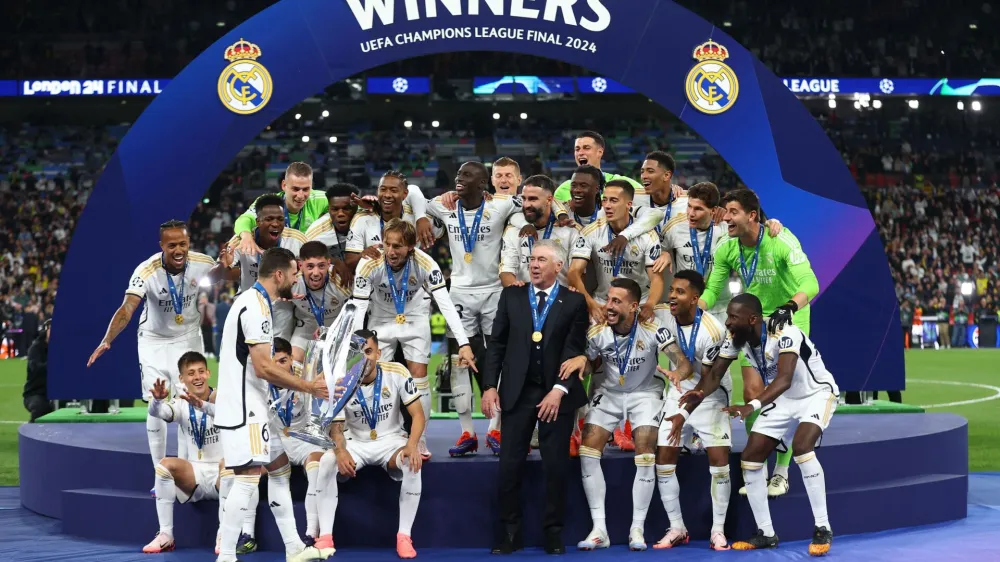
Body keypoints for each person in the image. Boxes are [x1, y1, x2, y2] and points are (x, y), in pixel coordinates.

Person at [673, 294, 838, 556]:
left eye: (733, 317)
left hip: (815, 394)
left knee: (802, 446)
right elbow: (715, 374)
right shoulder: (736, 339)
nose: (727, 322)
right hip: (782, 400)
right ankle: (766, 533)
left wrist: (751, 406)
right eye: (727, 316)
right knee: (751, 457)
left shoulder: (785, 332)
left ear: (752, 319)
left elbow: (783, 379)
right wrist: (698, 395)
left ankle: (822, 527)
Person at [212, 247, 330, 562]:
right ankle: (225, 555)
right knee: (248, 478)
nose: (297, 279)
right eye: (294, 274)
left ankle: (294, 548)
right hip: (244, 407)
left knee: (278, 469)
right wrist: (308, 386)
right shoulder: (255, 306)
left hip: (252, 404)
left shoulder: (258, 302)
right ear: (279, 275)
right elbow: (263, 367)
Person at [700, 188, 819, 498]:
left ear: (752, 215)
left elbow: (811, 282)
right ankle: (757, 466)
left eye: (733, 212)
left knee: (785, 394)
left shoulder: (781, 239)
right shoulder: (727, 248)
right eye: (725, 211)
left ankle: (782, 471)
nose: (725, 217)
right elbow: (713, 289)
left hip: (790, 319)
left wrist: (790, 306)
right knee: (753, 392)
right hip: (754, 324)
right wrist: (697, 306)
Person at [559, 278, 693, 551]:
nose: (608, 306)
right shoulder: (597, 331)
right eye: (608, 299)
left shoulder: (653, 329)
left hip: (645, 394)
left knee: (645, 450)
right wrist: (584, 359)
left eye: (616, 302)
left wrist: (678, 372)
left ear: (634, 306)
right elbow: (590, 358)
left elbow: (683, 361)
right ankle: (599, 529)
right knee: (588, 451)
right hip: (609, 394)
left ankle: (637, 528)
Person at [87, 220, 222, 487]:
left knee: (190, 399)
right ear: (162, 246)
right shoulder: (145, 271)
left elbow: (226, 275)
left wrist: (229, 263)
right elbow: (127, 308)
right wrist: (107, 339)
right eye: (172, 245)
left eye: (183, 244)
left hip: (188, 336)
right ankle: (159, 474)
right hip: (154, 340)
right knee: (156, 402)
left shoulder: (203, 262)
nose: (179, 250)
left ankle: (190, 464)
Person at [481, 239, 589, 555]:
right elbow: (496, 344)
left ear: (558, 266)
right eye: (531, 259)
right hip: (517, 393)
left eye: (542, 259)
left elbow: (574, 350)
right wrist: (489, 386)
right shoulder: (512, 295)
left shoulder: (573, 302)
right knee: (509, 467)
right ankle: (510, 534)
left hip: (557, 394)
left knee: (555, 468)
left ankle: (553, 533)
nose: (534, 264)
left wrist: (559, 390)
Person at [351, 219, 477, 459]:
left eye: (397, 246)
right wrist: (358, 346)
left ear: (410, 246)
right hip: (381, 318)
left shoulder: (426, 264)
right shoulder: (369, 264)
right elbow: (358, 307)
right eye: (387, 244)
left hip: (415, 316)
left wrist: (464, 343)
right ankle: (391, 435)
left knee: (418, 376)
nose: (390, 251)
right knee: (377, 375)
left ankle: (419, 439)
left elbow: (446, 305)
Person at [424, 161, 524, 456]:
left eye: (466, 176)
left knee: (500, 356)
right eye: (457, 174)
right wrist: (422, 217)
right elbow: (417, 196)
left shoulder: (501, 206)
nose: (458, 179)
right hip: (460, 292)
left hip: (494, 290)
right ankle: (467, 431)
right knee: (458, 360)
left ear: (483, 185)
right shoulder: (443, 206)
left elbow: (529, 203)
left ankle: (496, 428)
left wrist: (527, 222)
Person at [314, 329, 425, 559]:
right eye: (357, 352)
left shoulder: (397, 371)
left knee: (412, 463)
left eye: (368, 351)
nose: (364, 358)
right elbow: (335, 426)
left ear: (378, 353)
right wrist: (340, 450)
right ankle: (325, 536)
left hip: (391, 441)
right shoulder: (340, 380)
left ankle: (404, 535)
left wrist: (412, 444)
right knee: (326, 462)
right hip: (356, 442)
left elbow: (418, 415)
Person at [653, 270, 731, 551]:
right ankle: (677, 527)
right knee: (663, 455)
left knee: (719, 460)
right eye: (671, 290)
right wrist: (678, 375)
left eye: (680, 292)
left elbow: (708, 381)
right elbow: (681, 362)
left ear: (695, 299)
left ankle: (718, 530)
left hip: (710, 395)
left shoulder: (713, 331)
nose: (672, 296)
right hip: (678, 391)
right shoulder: (663, 318)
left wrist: (683, 414)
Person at [232, 337, 330, 552]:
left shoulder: (308, 375)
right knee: (250, 473)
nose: (278, 368)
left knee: (317, 468)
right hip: (275, 440)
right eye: (273, 362)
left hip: (305, 439)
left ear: (292, 358)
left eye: (283, 361)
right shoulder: (259, 380)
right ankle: (248, 534)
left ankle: (311, 532)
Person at [143, 352, 222, 554]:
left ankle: (225, 534)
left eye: (201, 372)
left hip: (223, 474)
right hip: (193, 475)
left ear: (208, 373)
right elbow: (160, 413)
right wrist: (158, 401)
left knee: (230, 464)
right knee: (164, 466)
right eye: (191, 373)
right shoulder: (181, 403)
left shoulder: (221, 398)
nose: (197, 377)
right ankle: (166, 535)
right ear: (181, 379)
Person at [569, 180, 663, 324]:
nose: (607, 205)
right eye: (604, 200)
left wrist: (650, 304)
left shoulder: (647, 236)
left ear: (628, 204)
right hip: (602, 302)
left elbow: (656, 278)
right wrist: (590, 303)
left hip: (638, 303)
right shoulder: (591, 231)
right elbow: (574, 272)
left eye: (613, 200)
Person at [219, 194, 306, 342]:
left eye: (280, 219)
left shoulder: (297, 240)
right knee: (249, 358)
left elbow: (307, 270)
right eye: (269, 219)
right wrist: (224, 266)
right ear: (258, 221)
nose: (275, 223)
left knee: (280, 357)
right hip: (250, 306)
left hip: (283, 307)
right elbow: (226, 273)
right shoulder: (240, 241)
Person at [232, 162, 329, 257]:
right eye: (295, 189)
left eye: (306, 189)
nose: (300, 195)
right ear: (284, 185)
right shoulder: (269, 203)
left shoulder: (320, 199)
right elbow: (244, 219)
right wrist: (246, 237)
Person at [500, 175, 578, 287]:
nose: (526, 204)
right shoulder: (513, 230)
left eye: (533, 199)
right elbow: (506, 271)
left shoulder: (569, 230)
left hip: (560, 299)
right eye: (524, 199)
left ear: (549, 200)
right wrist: (516, 292)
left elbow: (576, 273)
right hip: (526, 299)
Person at [288, 241, 352, 363]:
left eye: (321, 266)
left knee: (339, 365)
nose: (316, 273)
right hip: (306, 325)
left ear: (329, 264)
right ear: (300, 265)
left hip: (335, 326)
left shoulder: (342, 281)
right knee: (293, 360)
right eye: (310, 266)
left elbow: (357, 309)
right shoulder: (291, 281)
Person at [553, 131, 645, 203]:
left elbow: (650, 207)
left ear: (600, 152)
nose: (580, 153)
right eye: (577, 149)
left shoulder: (623, 184)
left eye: (586, 148)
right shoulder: (563, 189)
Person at [303, 183, 361, 262]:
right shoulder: (315, 233)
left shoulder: (368, 221)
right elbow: (305, 260)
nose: (340, 214)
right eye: (335, 209)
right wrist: (335, 262)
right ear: (329, 210)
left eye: (346, 208)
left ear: (356, 208)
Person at [23, 319, 53, 423]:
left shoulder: (62, 348)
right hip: (36, 392)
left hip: (57, 392)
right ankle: (32, 432)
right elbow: (35, 368)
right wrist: (54, 365)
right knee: (40, 407)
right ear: (46, 330)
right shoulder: (36, 348)